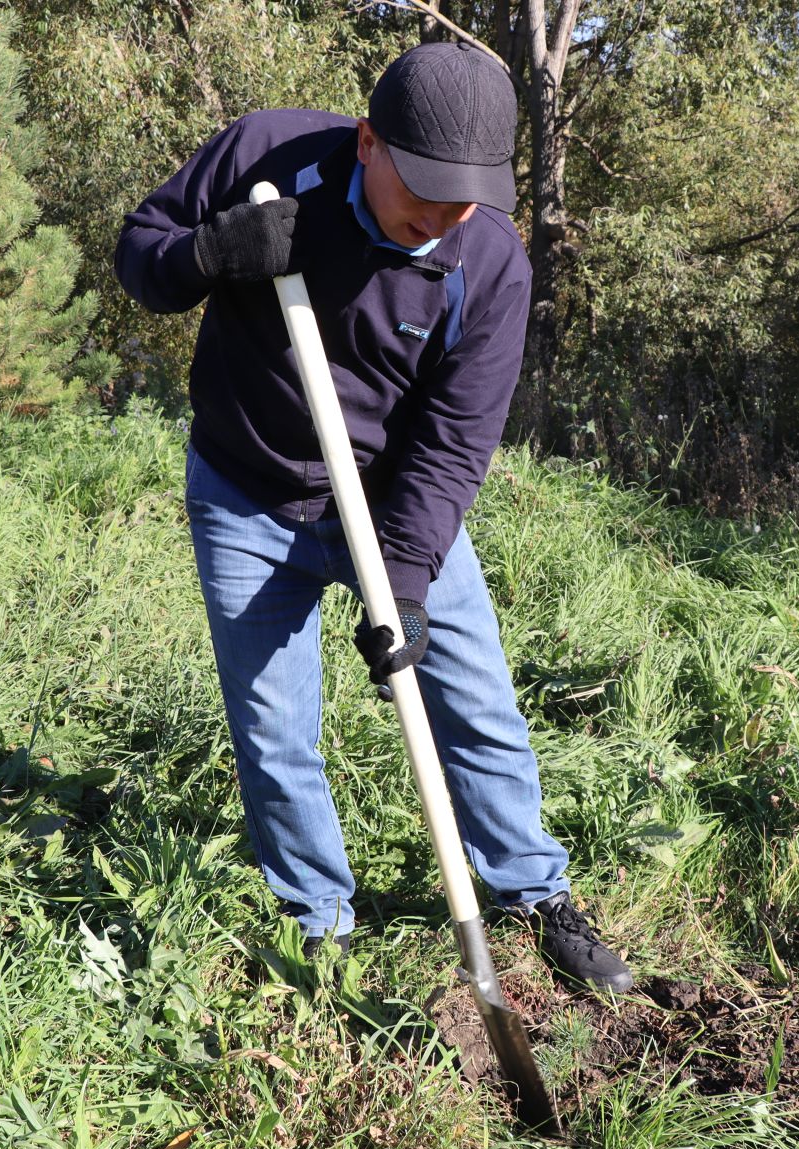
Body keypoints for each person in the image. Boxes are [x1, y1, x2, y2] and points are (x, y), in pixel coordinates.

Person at [114, 41, 633, 994]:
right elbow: (140, 260)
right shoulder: (265, 158)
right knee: (274, 726)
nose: (439, 221)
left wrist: (401, 584)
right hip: (246, 490)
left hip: (391, 499)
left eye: (463, 202)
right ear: (367, 144)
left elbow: (453, 445)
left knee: (473, 700)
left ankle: (532, 890)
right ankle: (320, 922)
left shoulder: (491, 263)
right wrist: (208, 253)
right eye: (422, 195)